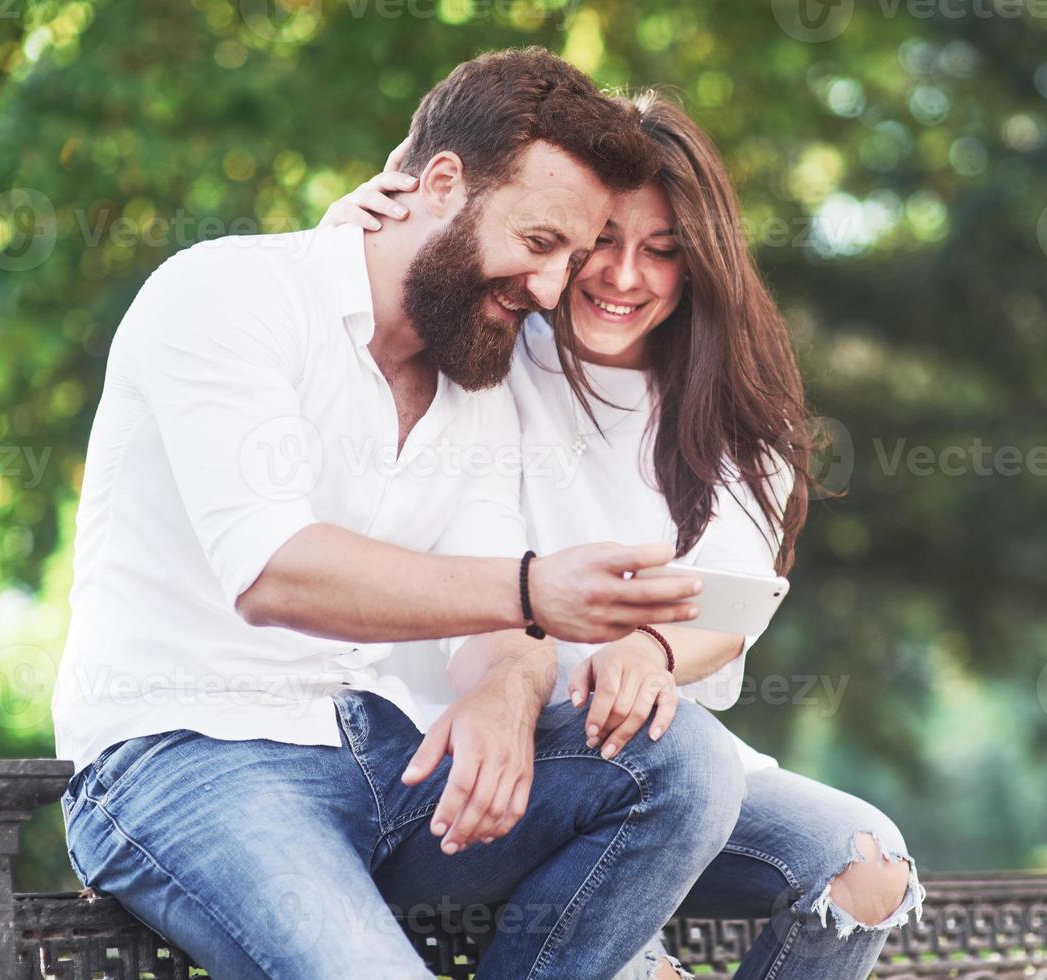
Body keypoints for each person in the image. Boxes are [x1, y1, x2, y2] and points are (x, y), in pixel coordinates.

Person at [52, 49, 752, 980]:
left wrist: (507, 691)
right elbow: (274, 572)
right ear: (442, 183)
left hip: (387, 756)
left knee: (682, 764)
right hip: (188, 757)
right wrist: (535, 591)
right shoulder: (224, 295)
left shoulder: (476, 380)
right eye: (540, 244)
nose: (551, 291)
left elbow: (499, 615)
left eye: (567, 260)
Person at [323, 89, 925, 979]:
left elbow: (733, 599)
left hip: (648, 752)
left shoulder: (733, 413)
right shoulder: (492, 344)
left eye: (664, 252)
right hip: (474, 750)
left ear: (702, 263)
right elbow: (401, 282)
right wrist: (350, 231)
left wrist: (649, 649)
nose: (623, 277)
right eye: (602, 242)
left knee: (865, 866)